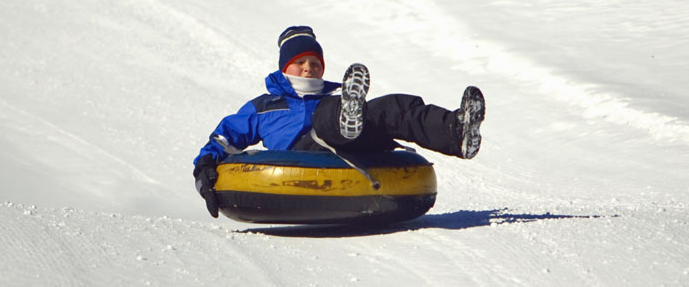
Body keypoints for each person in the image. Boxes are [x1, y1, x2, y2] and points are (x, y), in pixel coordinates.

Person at [192, 26, 485, 218]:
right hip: (304, 159)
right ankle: (345, 123)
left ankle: (455, 132)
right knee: (328, 114)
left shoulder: (334, 97)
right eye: (301, 63)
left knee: (391, 107)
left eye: (316, 64)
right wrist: (205, 168)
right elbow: (225, 137)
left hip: (353, 149)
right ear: (285, 68)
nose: (309, 69)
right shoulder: (265, 106)